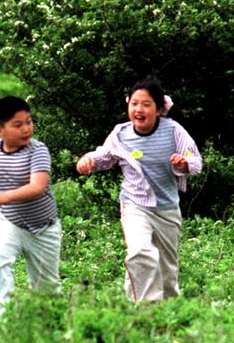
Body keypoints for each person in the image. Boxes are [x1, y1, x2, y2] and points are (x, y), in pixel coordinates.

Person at [76, 77, 202, 302]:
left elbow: (195, 161)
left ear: (159, 109)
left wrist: (184, 163)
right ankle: (146, 309)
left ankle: (170, 311)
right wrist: (89, 161)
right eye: (134, 104)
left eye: (146, 104)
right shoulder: (121, 133)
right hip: (134, 205)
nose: (139, 110)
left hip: (167, 208)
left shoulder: (173, 130)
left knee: (167, 270)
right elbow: (105, 156)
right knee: (140, 252)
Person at [0, 96, 62, 320]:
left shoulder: (38, 150)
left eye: (29, 121)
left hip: (43, 227)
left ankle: (50, 323)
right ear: (0, 130)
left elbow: (38, 186)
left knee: (47, 287)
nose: (26, 129)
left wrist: (1, 197)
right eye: (18, 125)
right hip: (9, 222)